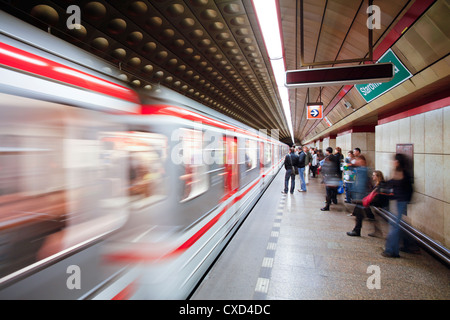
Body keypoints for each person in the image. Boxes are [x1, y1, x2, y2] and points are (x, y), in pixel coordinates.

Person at [382, 153, 415, 258]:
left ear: (398, 162)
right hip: (397, 201)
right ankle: (393, 250)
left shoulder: (401, 173)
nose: (393, 162)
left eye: (394, 160)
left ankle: (391, 250)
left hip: (398, 202)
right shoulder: (400, 172)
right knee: (395, 225)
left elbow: (405, 189)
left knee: (394, 226)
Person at [347, 169, 388, 237]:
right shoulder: (378, 184)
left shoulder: (380, 185)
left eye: (374, 175)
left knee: (359, 207)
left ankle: (357, 229)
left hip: (377, 204)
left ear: (378, 176)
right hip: (374, 203)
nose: (372, 177)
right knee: (359, 206)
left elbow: (377, 198)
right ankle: (357, 228)